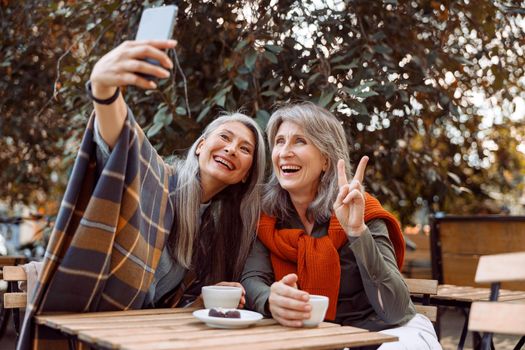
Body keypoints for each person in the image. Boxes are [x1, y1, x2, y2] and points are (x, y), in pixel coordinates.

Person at [18, 40, 266, 350]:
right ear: (201, 146)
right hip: (90, 314)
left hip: (139, 334)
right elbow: (125, 143)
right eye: (225, 138)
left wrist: (204, 302)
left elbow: (169, 308)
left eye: (245, 149)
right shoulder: (160, 179)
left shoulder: (215, 230)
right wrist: (104, 88)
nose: (231, 149)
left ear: (246, 174)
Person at [241, 102, 441, 349]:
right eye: (280, 141)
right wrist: (271, 299)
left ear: (326, 159)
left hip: (386, 334)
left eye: (299, 141)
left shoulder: (362, 210)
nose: (284, 152)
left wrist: (358, 233)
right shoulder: (268, 217)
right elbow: (252, 279)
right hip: (314, 337)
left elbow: (395, 311)